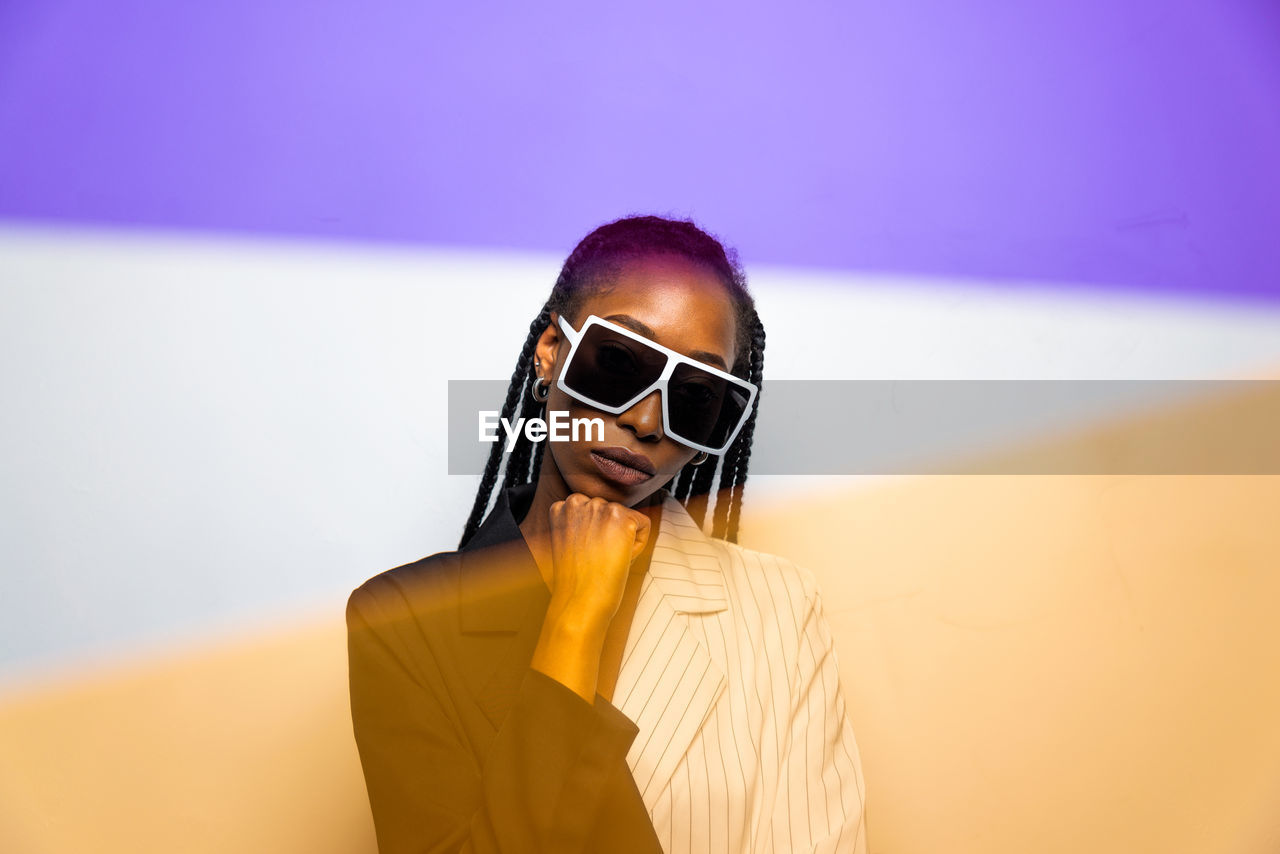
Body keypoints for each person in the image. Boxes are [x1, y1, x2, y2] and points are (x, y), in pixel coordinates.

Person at [346, 215, 867, 853]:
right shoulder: (404, 618)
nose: (646, 420)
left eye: (697, 396)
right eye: (618, 363)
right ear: (550, 355)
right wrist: (576, 616)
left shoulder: (779, 609)